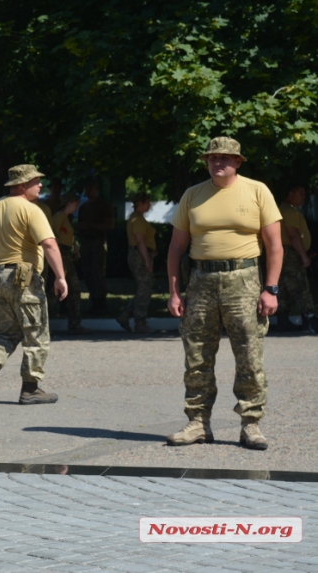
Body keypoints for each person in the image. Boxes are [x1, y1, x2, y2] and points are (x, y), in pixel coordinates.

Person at [165, 136, 282, 451]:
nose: (219, 163)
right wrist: (175, 292)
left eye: (226, 158)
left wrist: (270, 288)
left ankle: (251, 424)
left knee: (248, 355)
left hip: (243, 279)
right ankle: (198, 423)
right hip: (201, 280)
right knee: (197, 355)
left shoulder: (257, 191)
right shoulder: (193, 195)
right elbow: (176, 248)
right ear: (206, 161)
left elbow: (274, 245)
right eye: (213, 158)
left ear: (238, 162)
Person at [0, 164, 68, 405]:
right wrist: (61, 277)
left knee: (6, 332)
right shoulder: (30, 209)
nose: (40, 185)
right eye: (36, 181)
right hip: (23, 278)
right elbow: (50, 244)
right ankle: (30, 389)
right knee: (36, 334)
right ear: (23, 185)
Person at [51, 192, 90, 334]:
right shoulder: (59, 216)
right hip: (61, 254)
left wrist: (74, 246)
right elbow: (51, 235)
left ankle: (75, 323)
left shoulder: (66, 217)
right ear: (68, 203)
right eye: (75, 204)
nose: (76, 207)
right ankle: (73, 323)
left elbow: (66, 235)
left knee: (72, 288)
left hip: (66, 254)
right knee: (64, 289)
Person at [117, 193, 157, 334]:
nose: (149, 205)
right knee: (144, 288)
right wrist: (147, 260)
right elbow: (139, 241)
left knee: (143, 288)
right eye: (147, 202)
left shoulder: (137, 218)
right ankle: (140, 322)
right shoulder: (137, 220)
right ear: (140, 203)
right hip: (139, 256)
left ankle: (126, 315)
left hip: (139, 254)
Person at [276, 184, 314, 330]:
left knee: (284, 285)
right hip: (291, 253)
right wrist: (304, 257)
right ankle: (308, 319)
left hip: (286, 252)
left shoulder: (284, 209)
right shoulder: (289, 211)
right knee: (299, 285)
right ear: (290, 194)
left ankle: (282, 321)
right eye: (301, 193)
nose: (303, 197)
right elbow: (293, 234)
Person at [77, 179, 114, 315]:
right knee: (88, 272)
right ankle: (94, 300)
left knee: (98, 272)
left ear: (96, 189)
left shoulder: (104, 206)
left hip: (98, 241)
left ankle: (101, 302)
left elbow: (110, 225)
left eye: (91, 188)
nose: (88, 192)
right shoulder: (83, 207)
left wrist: (91, 226)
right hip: (86, 242)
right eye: (87, 189)